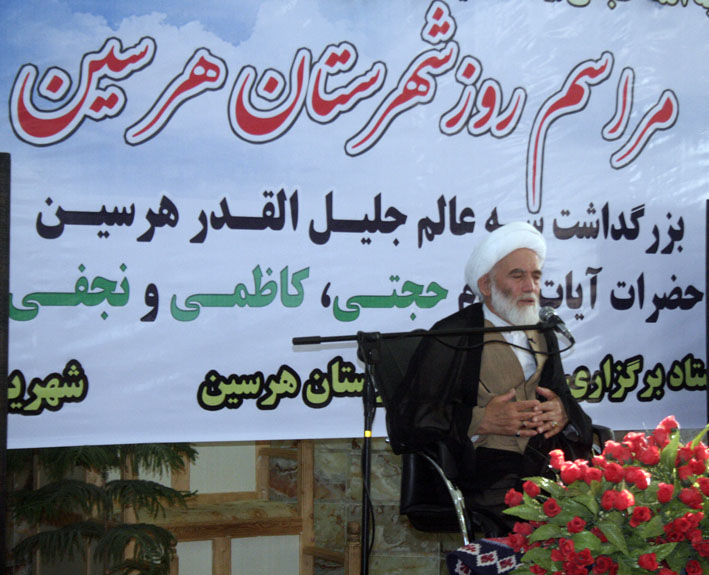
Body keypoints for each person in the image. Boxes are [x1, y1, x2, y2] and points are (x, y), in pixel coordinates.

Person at [389, 221, 593, 533]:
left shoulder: (543, 331)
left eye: (536, 276)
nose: (531, 286)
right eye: (518, 276)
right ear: (486, 285)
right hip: (485, 472)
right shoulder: (454, 335)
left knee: (595, 512)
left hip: (544, 464)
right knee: (523, 525)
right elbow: (408, 418)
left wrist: (562, 412)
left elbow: (560, 396)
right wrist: (478, 419)